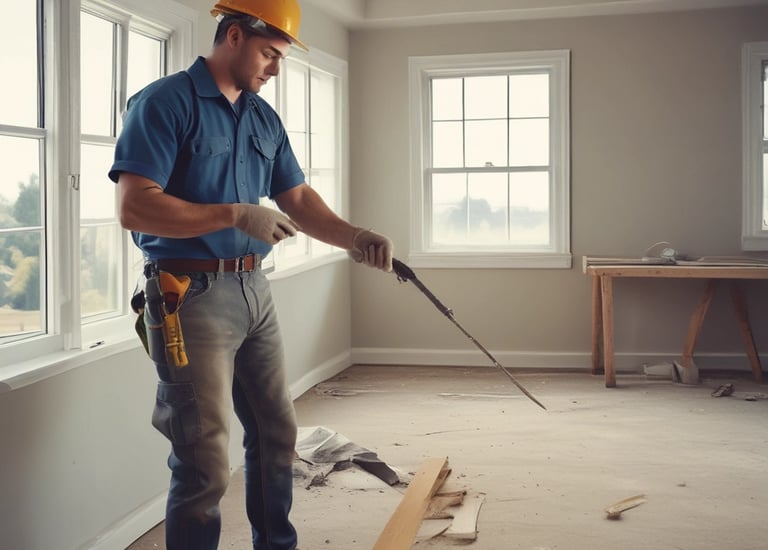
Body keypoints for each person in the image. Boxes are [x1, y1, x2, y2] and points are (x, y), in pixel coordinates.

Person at [108, 1, 393, 549]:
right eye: (270, 53)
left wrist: (355, 238)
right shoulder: (166, 102)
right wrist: (237, 213)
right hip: (187, 296)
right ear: (233, 36)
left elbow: (298, 199)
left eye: (281, 57)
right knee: (204, 455)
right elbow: (135, 207)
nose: (275, 69)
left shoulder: (262, 117)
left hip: (253, 290)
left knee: (277, 433)